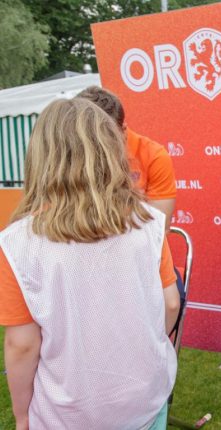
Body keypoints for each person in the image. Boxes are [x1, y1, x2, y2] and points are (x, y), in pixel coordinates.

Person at [0, 98, 181, 429]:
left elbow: (22, 345)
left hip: (69, 412)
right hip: (145, 397)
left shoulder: (17, 244)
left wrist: (22, 413)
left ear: (40, 158)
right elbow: (171, 303)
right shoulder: (149, 222)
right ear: (110, 150)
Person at [76, 86, 177, 231]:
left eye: (104, 139)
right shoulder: (68, 156)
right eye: (87, 140)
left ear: (122, 131)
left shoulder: (153, 155)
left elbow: (159, 228)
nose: (94, 148)